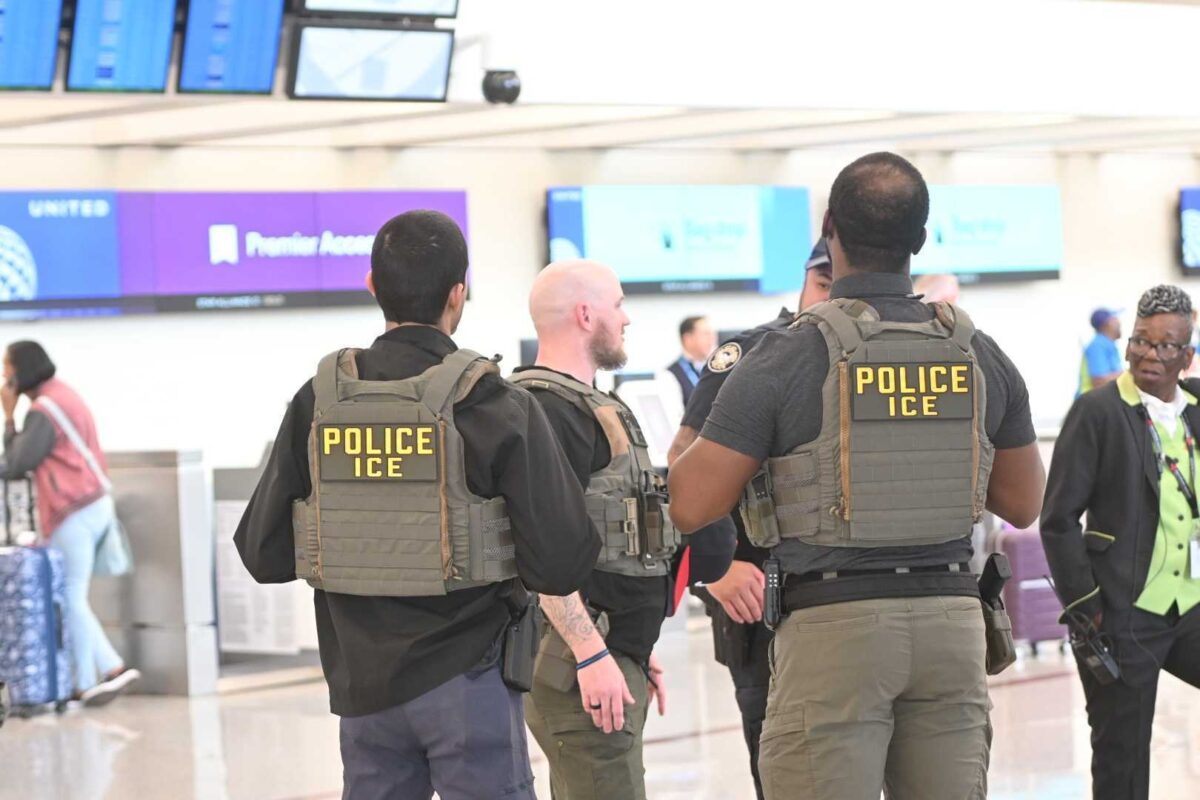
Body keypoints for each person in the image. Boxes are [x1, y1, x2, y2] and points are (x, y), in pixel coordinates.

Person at [668, 152, 1044, 800]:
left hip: (832, 629)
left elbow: (690, 503)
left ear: (830, 228)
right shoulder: (976, 351)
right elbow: (1023, 500)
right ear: (920, 241)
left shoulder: (784, 355)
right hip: (954, 625)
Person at [234, 211, 600, 800]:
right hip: (469, 685)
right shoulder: (493, 402)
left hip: (362, 690)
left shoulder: (320, 401)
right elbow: (561, 561)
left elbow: (262, 552)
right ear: (459, 294)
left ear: (372, 285)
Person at [663, 237, 833, 800]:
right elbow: (682, 465)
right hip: (760, 603)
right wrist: (717, 569)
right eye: (827, 283)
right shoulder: (752, 352)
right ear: (810, 278)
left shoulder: (874, 353)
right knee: (777, 770)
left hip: (850, 601)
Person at [513, 260, 679, 800]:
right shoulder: (546, 412)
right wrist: (589, 651)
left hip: (606, 649)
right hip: (575, 661)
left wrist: (629, 642)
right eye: (619, 304)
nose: (626, 318)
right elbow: (539, 552)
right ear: (586, 314)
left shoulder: (584, 405)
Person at [1041, 284, 1200, 800]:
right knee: (1122, 760)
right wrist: (1088, 609)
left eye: (1165, 346)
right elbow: (1058, 519)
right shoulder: (1098, 412)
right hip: (1124, 612)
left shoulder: (1196, 408)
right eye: (1140, 342)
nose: (1149, 355)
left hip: (1193, 604)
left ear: (1187, 357)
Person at [1, 341, 141, 707]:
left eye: (6, 367)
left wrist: (9, 416)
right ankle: (83, 683)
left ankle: (111, 668)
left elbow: (15, 464)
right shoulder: (64, 396)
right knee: (73, 594)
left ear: (20, 371)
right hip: (93, 503)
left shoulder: (43, 410)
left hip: (72, 510)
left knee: (71, 596)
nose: (3, 376)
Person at [665, 316, 718, 407]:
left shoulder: (714, 368)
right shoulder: (669, 375)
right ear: (688, 339)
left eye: (712, 334)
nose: (711, 339)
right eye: (706, 334)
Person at [1080, 307, 1123, 394]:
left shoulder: (1108, 345)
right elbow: (1099, 381)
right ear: (1108, 324)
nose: (1119, 322)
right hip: (1090, 404)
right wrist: (1131, 374)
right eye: (1115, 318)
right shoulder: (1098, 346)